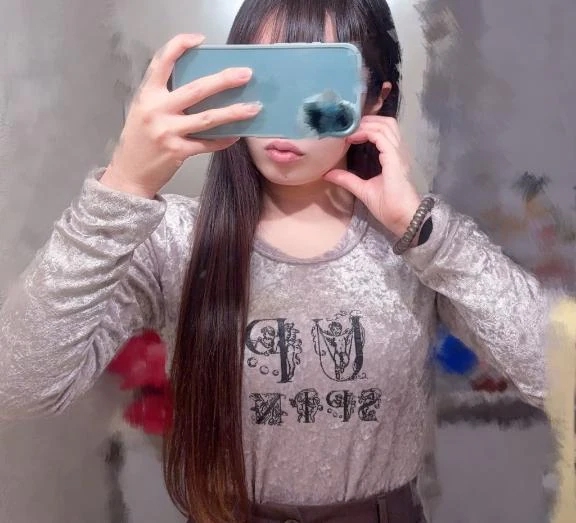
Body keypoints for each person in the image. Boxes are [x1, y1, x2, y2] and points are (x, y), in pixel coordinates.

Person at [0, 0, 560, 521]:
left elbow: (557, 374)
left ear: (374, 101)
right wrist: (122, 188)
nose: (287, 120)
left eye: (320, 87)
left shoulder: (414, 243)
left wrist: (424, 233)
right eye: (268, 83)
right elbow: (18, 385)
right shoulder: (172, 239)